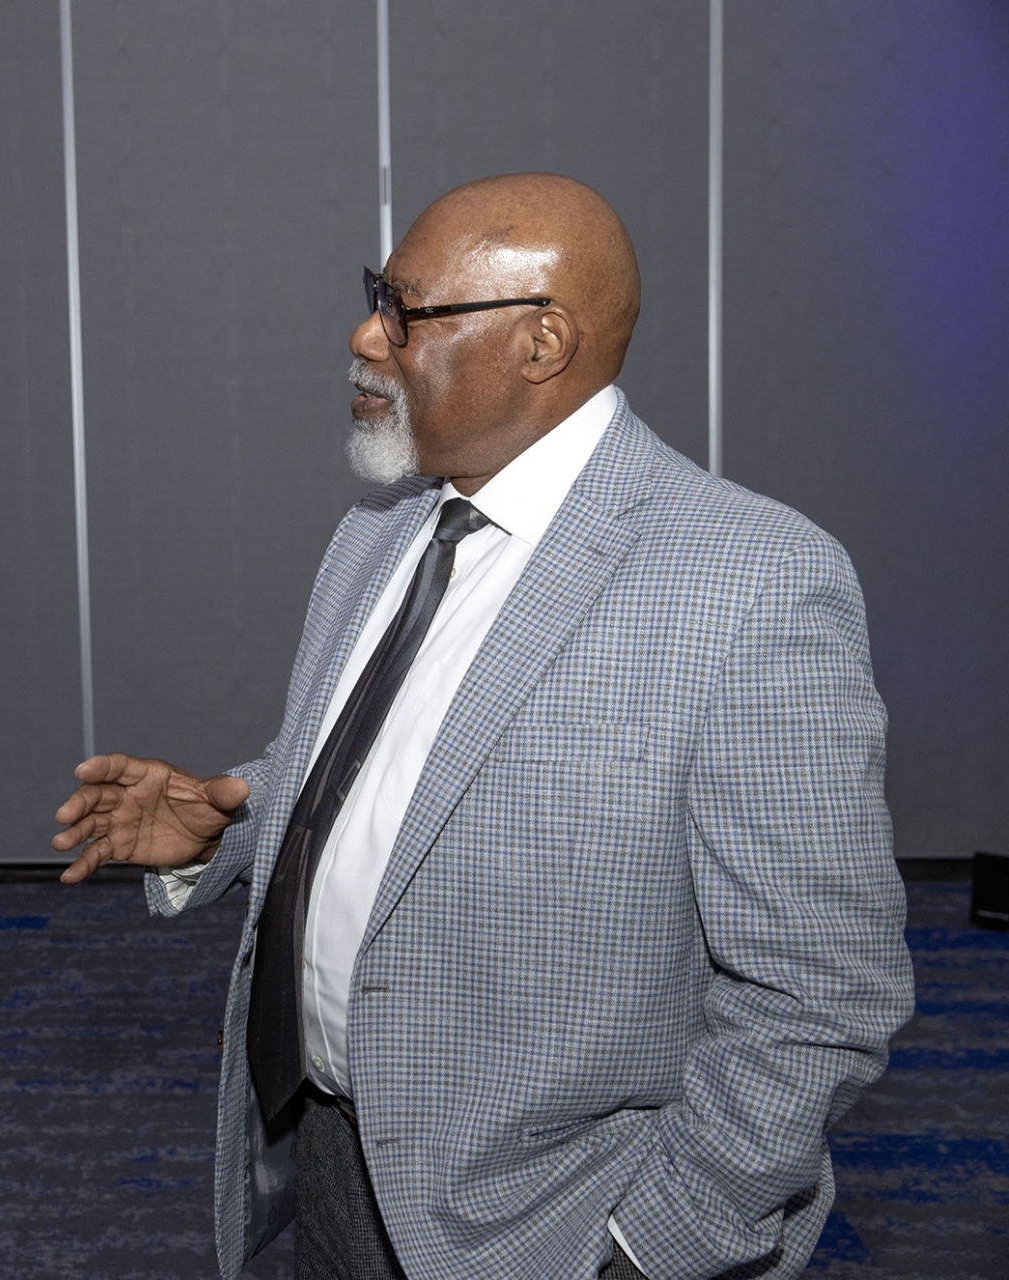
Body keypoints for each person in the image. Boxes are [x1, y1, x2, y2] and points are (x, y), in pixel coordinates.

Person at [53, 173, 913, 1280]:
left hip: (556, 1222)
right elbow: (429, 768)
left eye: (406, 308)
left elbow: (821, 989)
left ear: (543, 341)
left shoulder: (754, 581)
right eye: (377, 294)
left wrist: (650, 1247)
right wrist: (239, 816)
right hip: (330, 1159)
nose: (366, 333)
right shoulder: (378, 536)